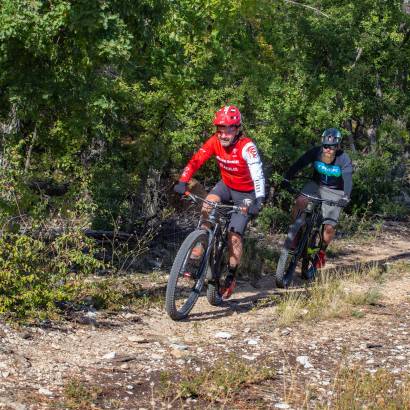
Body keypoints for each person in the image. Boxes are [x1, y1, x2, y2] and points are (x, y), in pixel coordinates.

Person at [174, 105, 265, 300]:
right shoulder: (214, 141)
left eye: (229, 129)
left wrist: (259, 200)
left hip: (246, 193)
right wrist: (183, 181)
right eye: (220, 129)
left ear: (238, 128)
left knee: (234, 236)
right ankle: (199, 245)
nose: (224, 134)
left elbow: (258, 175)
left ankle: (231, 275)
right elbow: (196, 160)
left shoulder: (247, 147)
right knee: (208, 204)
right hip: (226, 186)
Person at [283, 128, 353, 270]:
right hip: (316, 185)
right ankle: (296, 235)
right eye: (326, 146)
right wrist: (286, 178)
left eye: (332, 147)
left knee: (328, 227)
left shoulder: (343, 159)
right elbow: (299, 164)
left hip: (335, 191)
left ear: (338, 146)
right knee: (300, 202)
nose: (328, 149)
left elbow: (348, 180)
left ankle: (321, 252)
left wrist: (346, 196)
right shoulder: (316, 152)